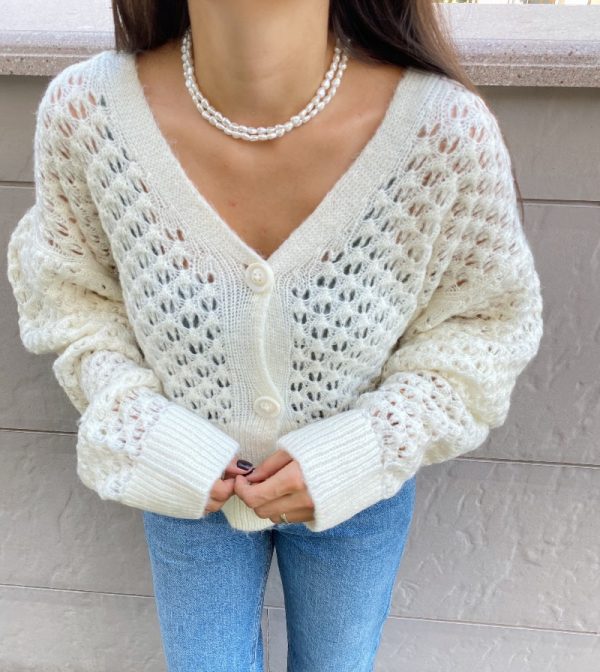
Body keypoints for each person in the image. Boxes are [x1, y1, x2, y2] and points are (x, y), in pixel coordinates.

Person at [6, 0, 544, 670]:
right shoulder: (90, 115)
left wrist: (368, 445)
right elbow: (72, 301)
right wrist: (143, 426)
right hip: (182, 480)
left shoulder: (443, 132)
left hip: (359, 488)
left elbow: (483, 326)